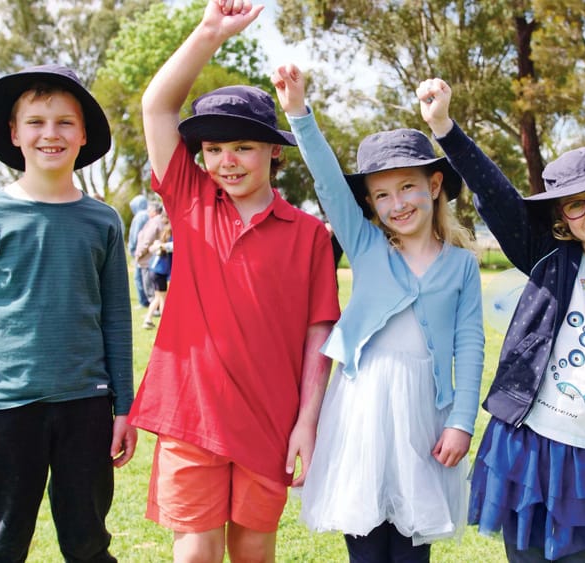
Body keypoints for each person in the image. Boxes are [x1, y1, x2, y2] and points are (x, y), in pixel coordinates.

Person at [417, 79, 585, 562]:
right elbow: (496, 194)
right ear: (563, 217)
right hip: (526, 443)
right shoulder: (549, 261)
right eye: (576, 205)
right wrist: (445, 128)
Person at [126, 2, 341, 562]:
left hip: (269, 421)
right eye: (214, 149)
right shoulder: (191, 199)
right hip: (189, 415)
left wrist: (306, 424)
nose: (227, 161)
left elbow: (319, 336)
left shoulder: (310, 235)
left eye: (243, 146)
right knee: (195, 552)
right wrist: (209, 32)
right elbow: (157, 105)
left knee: (252, 552)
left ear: (275, 150)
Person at [273, 66, 485, 561]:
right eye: (382, 195)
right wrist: (299, 113)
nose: (397, 203)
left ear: (434, 186)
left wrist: (461, 421)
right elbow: (327, 181)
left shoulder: (460, 267)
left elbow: (469, 346)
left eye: (408, 187)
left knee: (412, 547)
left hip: (424, 417)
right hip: (362, 409)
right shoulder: (367, 246)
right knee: (365, 543)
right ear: (368, 203)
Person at [0, 64, 136, 562]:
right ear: (14, 133)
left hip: (87, 407)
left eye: (64, 122)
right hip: (6, 410)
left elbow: (116, 320)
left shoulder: (103, 221)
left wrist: (123, 409)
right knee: (2, 547)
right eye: (36, 121)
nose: (50, 134)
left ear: (84, 133)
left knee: (89, 544)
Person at [133, 197, 165, 314]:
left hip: (147, 259)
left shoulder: (154, 222)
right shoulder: (159, 220)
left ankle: (154, 311)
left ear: (154, 211)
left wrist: (139, 253)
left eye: (149, 210)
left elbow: (147, 239)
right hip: (152, 258)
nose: (147, 212)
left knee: (150, 286)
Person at [142, 214, 172, 330]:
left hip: (154, 271)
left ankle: (148, 319)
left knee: (158, 297)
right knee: (162, 298)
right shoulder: (168, 240)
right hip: (159, 272)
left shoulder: (162, 238)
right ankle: (164, 324)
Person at [128, 193, 151, 307]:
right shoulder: (147, 214)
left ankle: (144, 301)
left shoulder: (140, 216)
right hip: (147, 251)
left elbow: (136, 234)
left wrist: (132, 248)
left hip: (139, 251)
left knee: (138, 277)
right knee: (145, 277)